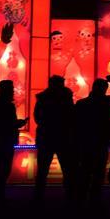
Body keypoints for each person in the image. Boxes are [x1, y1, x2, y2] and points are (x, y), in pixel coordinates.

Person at [74, 75, 110, 208]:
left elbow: (75, 124)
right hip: (102, 141)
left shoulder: (82, 104)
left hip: (85, 142)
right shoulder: (107, 103)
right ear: (103, 90)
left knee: (85, 170)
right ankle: (94, 199)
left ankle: (80, 198)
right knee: (98, 171)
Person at [33, 75, 75, 204]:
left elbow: (37, 117)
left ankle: (39, 196)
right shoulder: (66, 98)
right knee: (68, 169)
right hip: (64, 137)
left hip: (46, 137)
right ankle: (70, 195)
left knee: (42, 169)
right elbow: (72, 117)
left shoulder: (42, 99)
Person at [0, 80, 26, 207]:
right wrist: (18, 124)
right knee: (2, 169)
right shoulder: (7, 106)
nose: (13, 91)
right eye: (11, 89)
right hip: (4, 141)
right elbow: (7, 124)